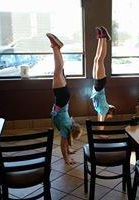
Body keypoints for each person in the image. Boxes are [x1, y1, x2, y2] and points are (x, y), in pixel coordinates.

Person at [46, 33, 83, 165]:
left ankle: (57, 48)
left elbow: (66, 142)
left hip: (64, 98)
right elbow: (63, 143)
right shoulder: (65, 128)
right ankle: (56, 47)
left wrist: (70, 149)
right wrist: (67, 159)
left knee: (60, 71)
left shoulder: (69, 124)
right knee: (57, 71)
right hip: (61, 97)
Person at [90, 26, 116, 122]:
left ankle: (101, 38)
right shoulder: (104, 109)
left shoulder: (100, 109)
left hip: (96, 84)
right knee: (100, 60)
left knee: (96, 60)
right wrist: (101, 134)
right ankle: (105, 38)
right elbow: (101, 121)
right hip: (100, 84)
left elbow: (99, 117)